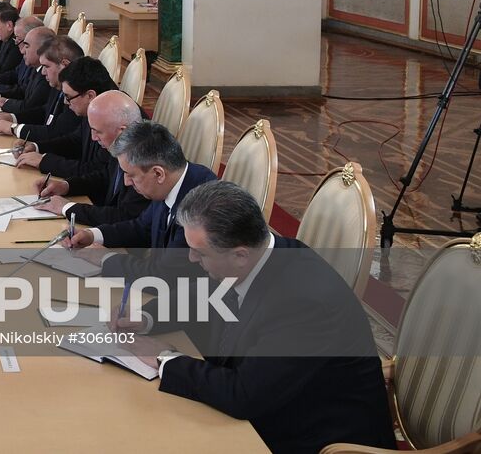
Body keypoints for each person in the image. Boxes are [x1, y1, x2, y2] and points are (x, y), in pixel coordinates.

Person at [128, 181, 395, 454]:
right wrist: (145, 316)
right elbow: (204, 293)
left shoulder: (302, 303)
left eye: (200, 252)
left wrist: (164, 359)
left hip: (313, 438)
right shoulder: (256, 257)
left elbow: (244, 395)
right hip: (271, 409)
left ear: (240, 255)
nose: (191, 258)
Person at [68, 120, 216, 256]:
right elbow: (140, 228)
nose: (126, 182)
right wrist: (92, 235)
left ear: (158, 173)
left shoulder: (199, 207)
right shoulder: (168, 182)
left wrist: (106, 259)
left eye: (131, 175)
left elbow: (167, 274)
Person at [37, 90, 151, 225]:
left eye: (98, 132)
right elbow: (104, 177)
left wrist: (67, 208)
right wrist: (66, 186)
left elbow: (125, 215)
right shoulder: (124, 143)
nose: (93, 137)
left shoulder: (145, 158)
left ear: (122, 130)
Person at [10, 56, 119, 174]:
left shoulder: (115, 118)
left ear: (90, 96)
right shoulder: (94, 105)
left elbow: (96, 171)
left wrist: (44, 161)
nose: (65, 102)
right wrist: (36, 147)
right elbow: (75, 141)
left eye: (68, 97)